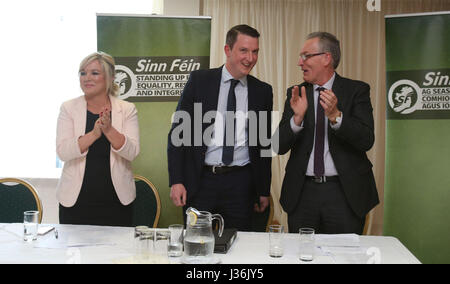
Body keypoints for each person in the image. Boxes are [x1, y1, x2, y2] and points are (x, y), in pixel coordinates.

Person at [167, 24, 273, 231]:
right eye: (244, 50)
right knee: (196, 245)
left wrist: (263, 190)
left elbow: (264, 145)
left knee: (240, 247)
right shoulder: (199, 81)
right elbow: (177, 134)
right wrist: (177, 180)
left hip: (241, 184)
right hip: (201, 181)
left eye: (255, 51)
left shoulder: (263, 91)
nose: (250, 58)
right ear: (227, 50)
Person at [275, 32, 379, 234]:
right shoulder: (296, 93)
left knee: (343, 255)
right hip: (302, 193)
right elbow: (277, 146)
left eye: (306, 56)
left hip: (344, 193)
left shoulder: (356, 90)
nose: (299, 62)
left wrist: (337, 117)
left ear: (326, 58)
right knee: (303, 256)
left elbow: (367, 139)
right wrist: (296, 120)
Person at [56, 52, 140, 227]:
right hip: (75, 201)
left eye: (94, 73)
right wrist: (93, 134)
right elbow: (63, 152)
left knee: (117, 254)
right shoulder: (68, 108)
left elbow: (132, 152)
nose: (87, 78)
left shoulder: (127, 109)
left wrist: (108, 130)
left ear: (109, 77)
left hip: (117, 201)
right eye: (83, 73)